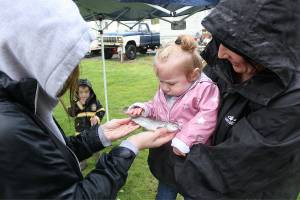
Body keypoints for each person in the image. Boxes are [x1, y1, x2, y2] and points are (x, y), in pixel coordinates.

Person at [0, 0, 175, 199]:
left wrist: (100, 134)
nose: (74, 71)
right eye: (68, 59)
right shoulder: (10, 128)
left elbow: (55, 152)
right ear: (38, 54)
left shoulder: (21, 104)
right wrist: (130, 147)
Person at [148, 0, 300, 199]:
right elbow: (186, 102)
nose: (220, 52)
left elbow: (225, 172)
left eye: (232, 43)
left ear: (266, 46)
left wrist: (156, 148)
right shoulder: (223, 65)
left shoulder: (292, 101)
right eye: (220, 39)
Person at [127, 35, 220, 199]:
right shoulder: (166, 88)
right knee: (165, 191)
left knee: (193, 193)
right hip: (167, 157)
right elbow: (156, 106)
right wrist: (143, 109)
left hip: (191, 159)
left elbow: (207, 117)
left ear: (193, 75)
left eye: (170, 83)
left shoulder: (205, 89)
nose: (164, 87)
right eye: (161, 81)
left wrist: (185, 140)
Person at [68, 79, 105, 170]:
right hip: (80, 130)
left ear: (90, 91)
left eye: (86, 92)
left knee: (96, 146)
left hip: (92, 129)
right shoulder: (75, 103)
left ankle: (98, 161)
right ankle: (83, 163)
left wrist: (97, 117)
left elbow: (101, 110)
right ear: (77, 93)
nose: (84, 94)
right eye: (81, 92)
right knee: (81, 147)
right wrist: (79, 105)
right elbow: (71, 113)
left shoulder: (95, 101)